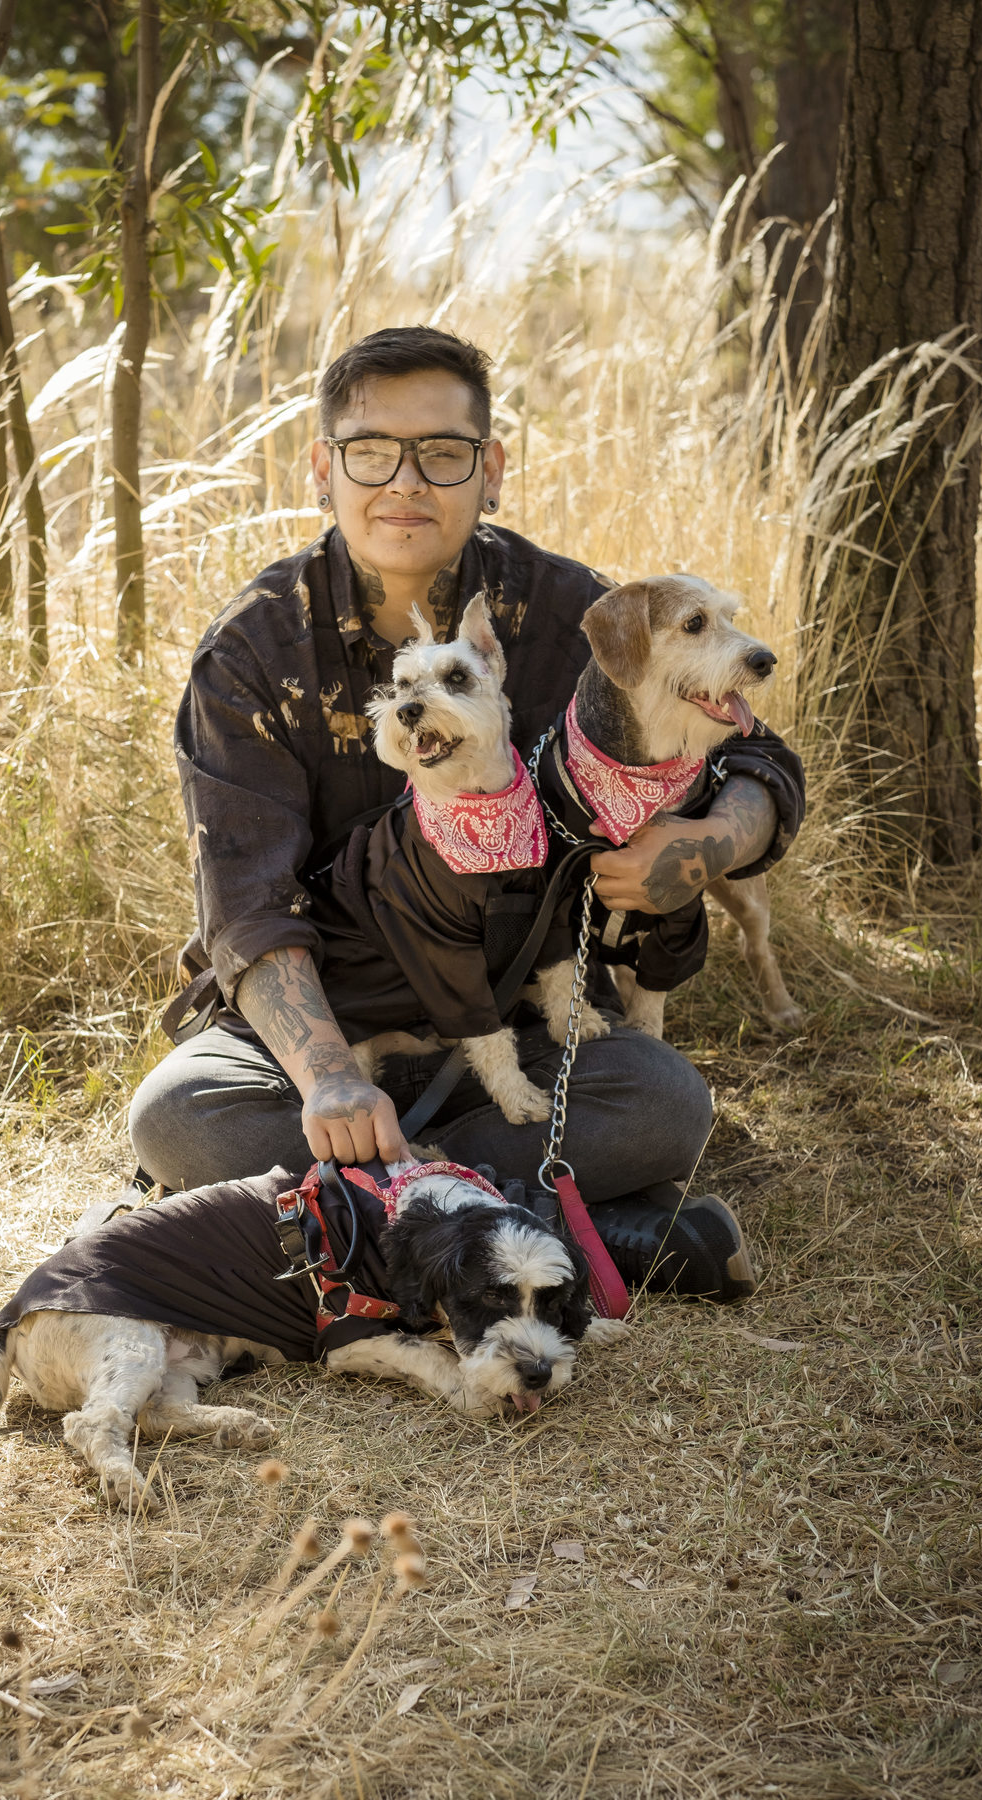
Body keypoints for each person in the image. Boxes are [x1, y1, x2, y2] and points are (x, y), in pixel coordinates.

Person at [128, 327, 804, 1300]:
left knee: (664, 1104)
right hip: (329, 1020)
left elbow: (758, 756)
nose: (405, 481)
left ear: (491, 469)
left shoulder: (578, 609)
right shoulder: (251, 648)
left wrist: (704, 842)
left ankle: (353, 1221)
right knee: (181, 1118)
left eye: (442, 453)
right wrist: (327, 1078)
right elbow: (246, 901)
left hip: (517, 1007)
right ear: (324, 467)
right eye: (370, 451)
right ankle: (579, 1230)